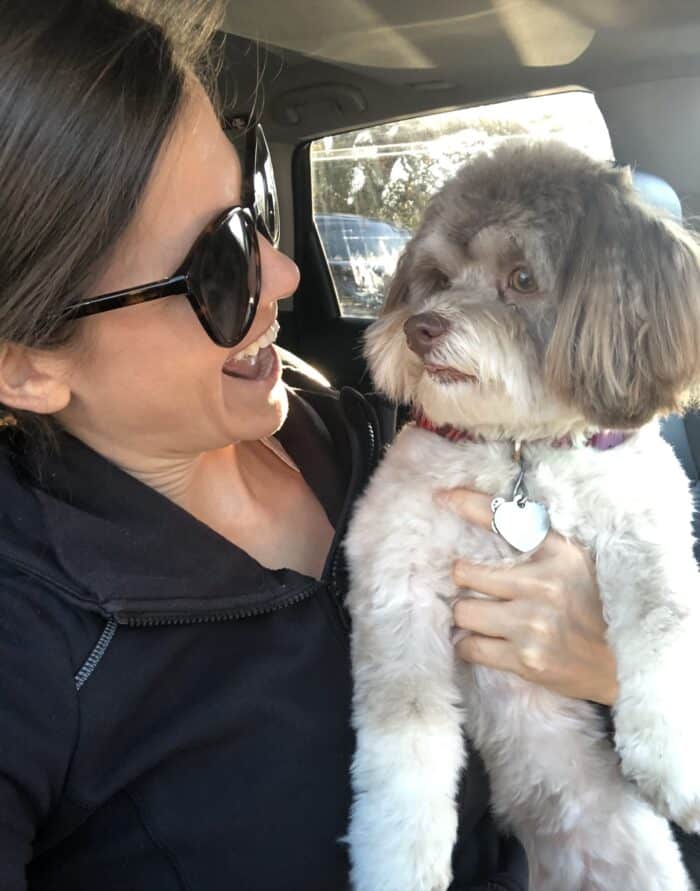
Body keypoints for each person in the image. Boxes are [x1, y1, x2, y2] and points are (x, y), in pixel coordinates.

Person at [0, 2, 690, 889]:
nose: (284, 273)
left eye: (256, 206)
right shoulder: (30, 641)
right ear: (26, 370)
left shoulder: (367, 431)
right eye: (218, 264)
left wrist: (616, 666)